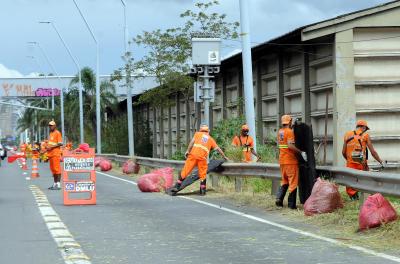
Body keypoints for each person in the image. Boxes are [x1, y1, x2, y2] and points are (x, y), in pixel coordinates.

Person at [171, 124, 229, 195]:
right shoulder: (210, 139)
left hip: (193, 155)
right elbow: (218, 149)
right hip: (202, 158)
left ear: (200, 129)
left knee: (186, 170)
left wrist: (187, 151)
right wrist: (224, 156)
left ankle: (177, 186)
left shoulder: (197, 134)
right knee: (202, 173)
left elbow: (191, 143)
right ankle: (202, 191)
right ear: (208, 131)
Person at [342, 120, 384, 200]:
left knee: (351, 184)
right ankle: (362, 200)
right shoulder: (365, 136)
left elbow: (343, 152)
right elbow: (373, 152)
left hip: (350, 165)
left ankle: (353, 198)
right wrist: (380, 161)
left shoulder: (347, 135)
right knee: (363, 183)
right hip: (361, 165)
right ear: (363, 127)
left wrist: (349, 160)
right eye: (365, 128)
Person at [275, 115, 307, 209]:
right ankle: (291, 204)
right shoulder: (289, 132)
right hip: (290, 161)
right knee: (293, 182)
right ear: (289, 122)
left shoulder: (280, 132)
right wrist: (301, 152)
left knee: (284, 180)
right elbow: (290, 145)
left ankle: (279, 198)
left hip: (282, 161)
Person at [44, 120, 63, 190]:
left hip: (55, 154)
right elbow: (50, 144)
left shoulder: (57, 133)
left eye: (52, 125)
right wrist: (46, 149)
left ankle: (58, 185)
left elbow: (60, 143)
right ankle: (54, 184)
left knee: (57, 169)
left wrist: (51, 147)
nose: (50, 126)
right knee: (53, 170)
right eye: (49, 125)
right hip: (50, 154)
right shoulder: (51, 134)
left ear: (55, 126)